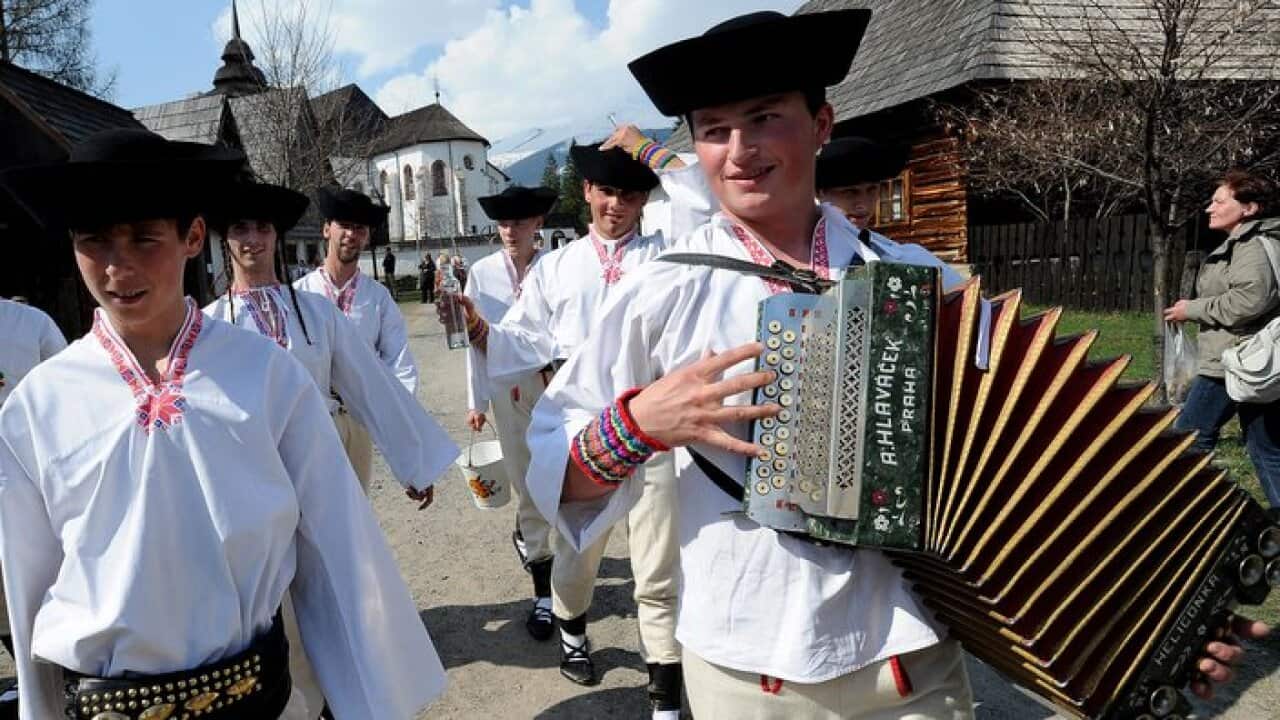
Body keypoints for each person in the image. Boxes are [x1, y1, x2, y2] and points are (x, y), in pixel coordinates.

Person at [523, 10, 1266, 719]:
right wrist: (639, 425)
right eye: (713, 130)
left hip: (915, 661)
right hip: (748, 666)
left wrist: (1173, 625)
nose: (739, 149)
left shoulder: (925, 281)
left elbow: (1046, 477)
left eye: (764, 117)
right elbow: (558, 468)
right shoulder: (663, 291)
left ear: (821, 126)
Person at [0, 128, 446, 720]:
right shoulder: (39, 406)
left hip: (255, 696)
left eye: (143, 237)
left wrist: (368, 696)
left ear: (190, 237)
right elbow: (29, 591)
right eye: (95, 239)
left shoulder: (265, 376)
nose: (117, 265)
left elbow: (335, 541)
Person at [443, 148, 687, 718]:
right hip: (586, 429)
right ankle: (573, 627)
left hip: (652, 426)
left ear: (645, 200)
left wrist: (656, 149)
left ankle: (664, 690)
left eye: (629, 195)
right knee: (579, 547)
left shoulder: (668, 257)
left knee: (657, 561)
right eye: (606, 191)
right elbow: (523, 337)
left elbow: (704, 194)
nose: (616, 205)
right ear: (587, 192)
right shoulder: (558, 267)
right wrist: (478, 326)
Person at [202, 180, 460, 716]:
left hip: (320, 473)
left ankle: (346, 695)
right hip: (251, 483)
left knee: (340, 586)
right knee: (273, 605)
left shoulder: (318, 314)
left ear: (277, 235)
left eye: (263, 227)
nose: (252, 239)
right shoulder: (206, 326)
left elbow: (370, 384)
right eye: (240, 228)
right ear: (224, 240)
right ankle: (299, 702)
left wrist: (413, 462)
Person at [456, 186, 560, 646]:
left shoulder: (556, 269)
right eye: (502, 223)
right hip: (508, 388)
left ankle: (535, 541)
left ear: (537, 224)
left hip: (557, 388)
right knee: (526, 483)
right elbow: (473, 342)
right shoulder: (480, 274)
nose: (509, 231)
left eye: (518, 222)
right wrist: (476, 402)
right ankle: (544, 593)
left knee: (561, 480)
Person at [1166, 169, 1280, 509]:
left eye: (1219, 201)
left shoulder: (1251, 247)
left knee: (1190, 439)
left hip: (1233, 360)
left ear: (1249, 208)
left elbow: (1252, 299)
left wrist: (1193, 309)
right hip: (1252, 362)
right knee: (1266, 447)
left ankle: (1187, 518)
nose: (1209, 208)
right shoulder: (1248, 243)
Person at [297, 187, 417, 490]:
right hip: (310, 418)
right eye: (344, 225)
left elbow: (399, 362)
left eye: (359, 228)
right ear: (327, 229)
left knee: (356, 506)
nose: (351, 234)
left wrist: (405, 437)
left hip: (357, 417)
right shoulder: (299, 295)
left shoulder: (377, 298)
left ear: (367, 236)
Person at [0, 297, 66, 714]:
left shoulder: (29, 323)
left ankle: (46, 694)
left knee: (28, 598)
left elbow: (67, 398)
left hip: (21, 488)